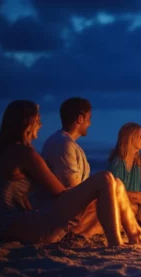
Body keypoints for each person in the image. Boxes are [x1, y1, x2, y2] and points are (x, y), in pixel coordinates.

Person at [0, 100, 141, 246]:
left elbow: (15, 196)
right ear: (27, 123)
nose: (41, 125)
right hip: (14, 227)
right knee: (105, 179)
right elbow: (59, 192)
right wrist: (96, 196)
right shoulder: (25, 154)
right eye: (38, 121)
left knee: (115, 184)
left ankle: (134, 234)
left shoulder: (1, 151)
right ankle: (117, 242)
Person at [40, 97, 100, 237]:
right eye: (88, 118)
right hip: (60, 211)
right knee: (112, 207)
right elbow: (72, 187)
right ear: (80, 119)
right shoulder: (63, 144)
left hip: (68, 206)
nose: (90, 123)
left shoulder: (68, 143)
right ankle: (74, 234)